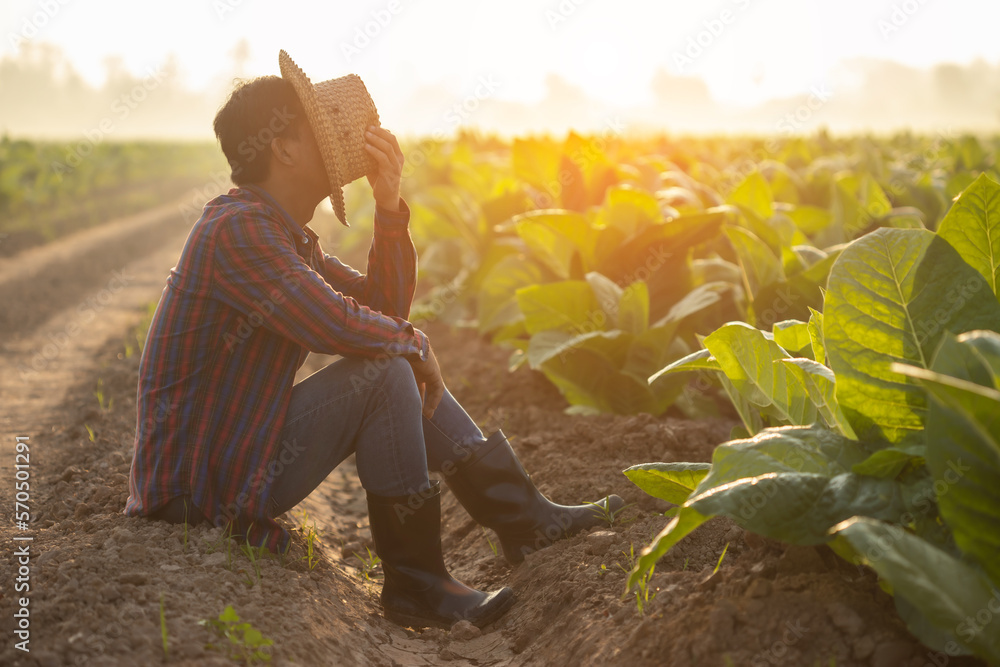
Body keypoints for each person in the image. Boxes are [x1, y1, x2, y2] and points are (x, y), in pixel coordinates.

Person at [124, 51, 624, 630]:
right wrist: (413, 346)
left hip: (239, 460)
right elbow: (337, 325)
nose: (346, 143)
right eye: (321, 129)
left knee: (389, 356)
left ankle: (524, 522)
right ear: (282, 147)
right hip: (198, 485)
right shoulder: (237, 231)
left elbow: (380, 312)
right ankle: (419, 581)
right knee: (385, 369)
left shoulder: (286, 237)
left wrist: (390, 208)